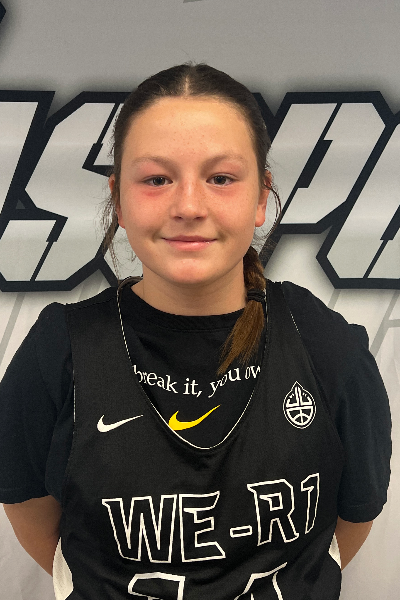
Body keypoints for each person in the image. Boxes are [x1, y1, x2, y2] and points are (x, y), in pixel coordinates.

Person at [0, 64, 391, 600]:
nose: (188, 206)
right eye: (156, 179)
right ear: (119, 198)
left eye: (221, 178)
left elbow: (354, 515)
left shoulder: (326, 345)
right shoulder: (59, 350)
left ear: (261, 198)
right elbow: (27, 505)